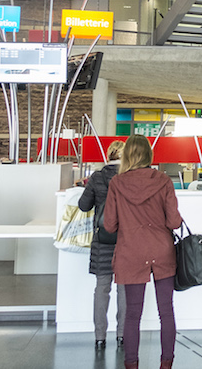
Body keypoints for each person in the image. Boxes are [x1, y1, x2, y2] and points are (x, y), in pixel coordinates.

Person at [103, 134, 182, 369]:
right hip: (162, 250)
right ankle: (166, 364)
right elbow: (174, 222)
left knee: (132, 315)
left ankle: (131, 364)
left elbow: (109, 225)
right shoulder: (164, 181)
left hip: (131, 251)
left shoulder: (116, 184)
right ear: (149, 155)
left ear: (127, 155)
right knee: (166, 312)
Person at [78, 140, 126, 349]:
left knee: (102, 287)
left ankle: (99, 337)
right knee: (124, 288)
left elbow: (83, 205)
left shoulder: (97, 177)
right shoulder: (129, 177)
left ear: (109, 155)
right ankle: (122, 335)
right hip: (126, 240)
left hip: (102, 240)